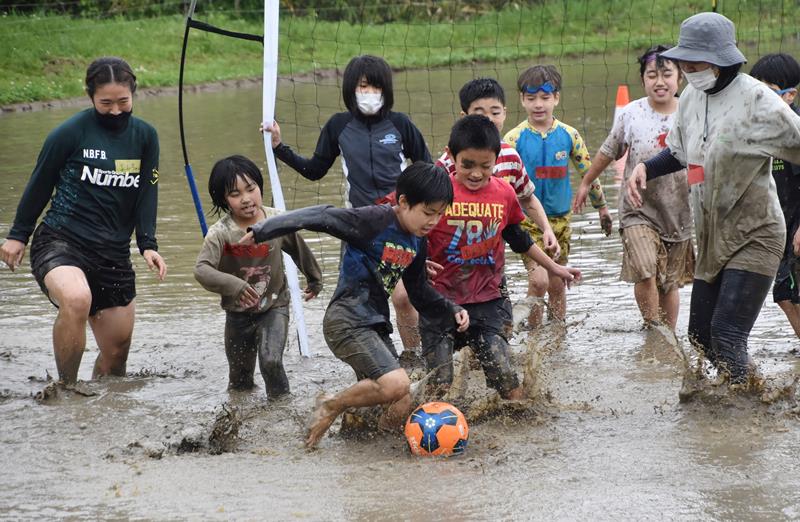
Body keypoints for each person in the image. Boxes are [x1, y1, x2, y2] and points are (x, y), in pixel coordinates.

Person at [240, 162, 467, 448]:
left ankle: (362, 447)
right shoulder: (374, 220)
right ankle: (331, 405)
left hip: (374, 325)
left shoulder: (418, 241)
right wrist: (264, 228)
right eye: (428, 212)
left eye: (440, 214)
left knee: (401, 400)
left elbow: (419, 293)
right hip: (346, 319)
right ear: (404, 202)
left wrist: (452, 308)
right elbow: (321, 215)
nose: (433, 221)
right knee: (396, 383)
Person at [626, 13, 800, 384]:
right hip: (712, 237)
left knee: (726, 333)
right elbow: (678, 151)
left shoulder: (758, 100)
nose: (686, 67)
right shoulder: (690, 95)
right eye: (684, 59)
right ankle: (749, 394)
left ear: (722, 59)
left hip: (757, 232)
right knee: (700, 337)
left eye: (695, 60)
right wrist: (645, 168)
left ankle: (739, 423)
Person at [0, 57, 166, 384]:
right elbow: (40, 182)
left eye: (123, 102)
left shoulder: (146, 137)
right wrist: (18, 235)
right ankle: (67, 390)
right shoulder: (70, 133)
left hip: (113, 254)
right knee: (77, 299)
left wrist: (148, 244)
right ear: (90, 96)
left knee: (116, 361)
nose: (116, 110)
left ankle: (103, 415)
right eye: (106, 103)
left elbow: (148, 191)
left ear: (133, 94)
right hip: (62, 241)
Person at [262, 55, 431, 353]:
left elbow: (427, 170)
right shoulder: (339, 126)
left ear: (386, 90)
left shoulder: (400, 124)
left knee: (403, 297)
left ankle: (413, 357)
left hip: (400, 223)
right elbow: (314, 170)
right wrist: (279, 147)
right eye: (363, 86)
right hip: (360, 225)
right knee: (361, 297)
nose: (369, 92)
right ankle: (378, 353)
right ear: (351, 89)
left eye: (375, 86)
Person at [422, 115, 581, 399]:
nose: (475, 173)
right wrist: (417, 262)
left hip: (489, 301)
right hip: (441, 300)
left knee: (504, 376)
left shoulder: (504, 192)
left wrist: (556, 267)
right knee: (439, 382)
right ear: (451, 156)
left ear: (497, 159)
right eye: (466, 165)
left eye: (485, 166)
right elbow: (413, 232)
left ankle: (519, 424)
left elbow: (519, 239)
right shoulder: (437, 191)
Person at [573, 46, 694, 330]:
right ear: (643, 80)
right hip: (637, 208)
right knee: (646, 271)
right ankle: (652, 330)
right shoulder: (631, 113)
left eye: (667, 74)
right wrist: (588, 181)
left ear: (681, 79)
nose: (659, 81)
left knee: (669, 284)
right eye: (652, 75)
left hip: (678, 210)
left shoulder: (691, 113)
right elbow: (608, 150)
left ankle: (669, 338)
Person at [194, 155, 323, 397]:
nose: (246, 199)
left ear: (259, 187)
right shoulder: (220, 233)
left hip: (274, 305)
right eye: (235, 194)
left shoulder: (277, 220)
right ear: (224, 199)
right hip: (237, 314)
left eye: (251, 189)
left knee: (271, 361)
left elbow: (298, 247)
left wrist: (314, 278)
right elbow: (202, 270)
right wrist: (234, 285)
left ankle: (281, 409)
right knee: (240, 380)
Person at [505, 64, 610, 326]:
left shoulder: (569, 135)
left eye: (545, 98)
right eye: (531, 99)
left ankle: (558, 338)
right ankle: (535, 333)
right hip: (527, 222)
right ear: (522, 100)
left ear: (557, 98)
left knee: (557, 282)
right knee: (537, 280)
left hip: (561, 221)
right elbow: (501, 184)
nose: (538, 104)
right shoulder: (512, 139)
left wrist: (603, 208)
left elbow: (589, 172)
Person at [749, 53, 800, 339]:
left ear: (789, 95)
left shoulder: (796, 129)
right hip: (776, 225)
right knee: (784, 295)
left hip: (797, 224)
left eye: (767, 94)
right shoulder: (756, 132)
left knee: (789, 293)